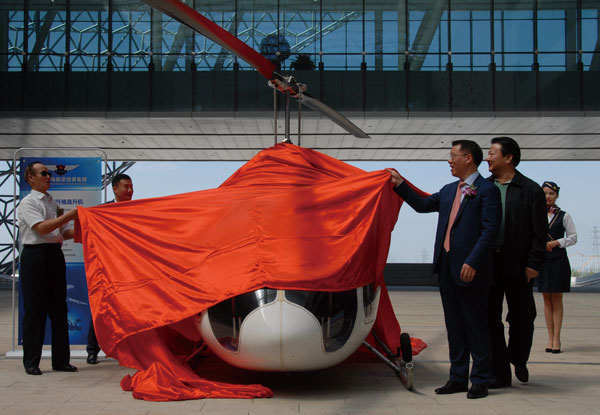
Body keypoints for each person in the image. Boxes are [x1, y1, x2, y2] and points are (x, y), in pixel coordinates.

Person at [387, 140, 501, 399]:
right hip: (447, 267)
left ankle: (480, 380)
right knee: (454, 326)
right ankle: (458, 378)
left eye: (453, 156)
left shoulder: (487, 191)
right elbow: (422, 204)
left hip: (471, 269)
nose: (449, 161)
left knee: (475, 325)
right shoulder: (449, 190)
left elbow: (489, 231)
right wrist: (399, 184)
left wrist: (473, 261)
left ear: (468, 158)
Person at [485, 136, 547, 388]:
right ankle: (499, 372)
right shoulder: (484, 187)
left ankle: (518, 358)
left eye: (492, 153)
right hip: (489, 263)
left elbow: (540, 231)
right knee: (490, 317)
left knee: (522, 316)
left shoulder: (530, 189)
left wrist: (534, 263)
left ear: (509, 157)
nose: (487, 158)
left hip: (519, 264)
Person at [17, 161, 79, 375]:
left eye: (49, 173)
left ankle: (61, 361)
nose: (48, 177)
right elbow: (41, 228)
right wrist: (68, 216)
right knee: (35, 310)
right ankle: (31, 362)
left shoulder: (52, 202)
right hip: (35, 257)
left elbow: (64, 232)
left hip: (54, 255)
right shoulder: (28, 203)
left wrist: (90, 230)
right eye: (43, 173)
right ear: (30, 177)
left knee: (59, 310)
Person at [87, 173, 134, 364]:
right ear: (115, 189)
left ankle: (130, 350)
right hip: (107, 269)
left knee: (130, 311)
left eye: (131, 186)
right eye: (126, 187)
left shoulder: (138, 210)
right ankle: (92, 350)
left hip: (130, 269)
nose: (130, 190)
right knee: (101, 309)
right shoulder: (102, 212)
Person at [537, 181, 577, 354]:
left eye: (551, 194)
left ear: (557, 196)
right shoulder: (535, 214)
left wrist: (557, 242)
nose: (548, 197)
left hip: (558, 259)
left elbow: (573, 237)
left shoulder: (565, 216)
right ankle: (549, 337)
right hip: (542, 260)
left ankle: (557, 339)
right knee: (546, 298)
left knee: (557, 298)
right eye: (545, 193)